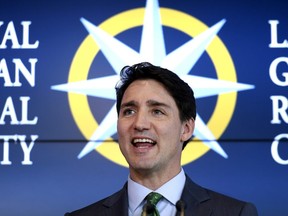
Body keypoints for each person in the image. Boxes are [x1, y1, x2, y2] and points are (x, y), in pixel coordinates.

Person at [65, 62, 258, 216]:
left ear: (186, 128)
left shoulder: (235, 213)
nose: (140, 123)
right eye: (129, 111)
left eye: (157, 111)